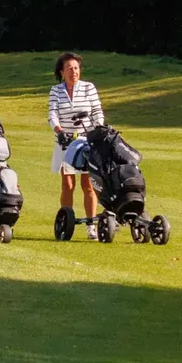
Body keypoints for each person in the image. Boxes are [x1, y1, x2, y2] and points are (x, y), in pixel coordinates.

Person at [48, 51, 105, 240]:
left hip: (86, 142)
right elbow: (52, 115)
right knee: (68, 183)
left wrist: (99, 129)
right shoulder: (56, 91)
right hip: (65, 142)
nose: (73, 72)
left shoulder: (89, 88)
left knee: (88, 184)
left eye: (76, 68)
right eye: (69, 69)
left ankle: (91, 226)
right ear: (61, 72)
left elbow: (97, 112)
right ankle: (67, 222)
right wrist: (59, 130)